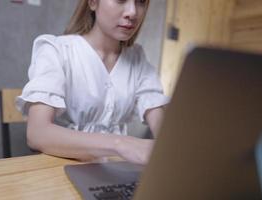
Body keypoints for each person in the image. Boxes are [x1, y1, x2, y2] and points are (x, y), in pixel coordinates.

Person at [16, 0, 169, 164]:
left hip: (113, 173)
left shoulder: (137, 58)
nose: (132, 12)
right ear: (93, 2)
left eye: (141, 1)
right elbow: (37, 134)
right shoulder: (56, 49)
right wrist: (120, 144)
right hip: (62, 170)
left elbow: (163, 129)